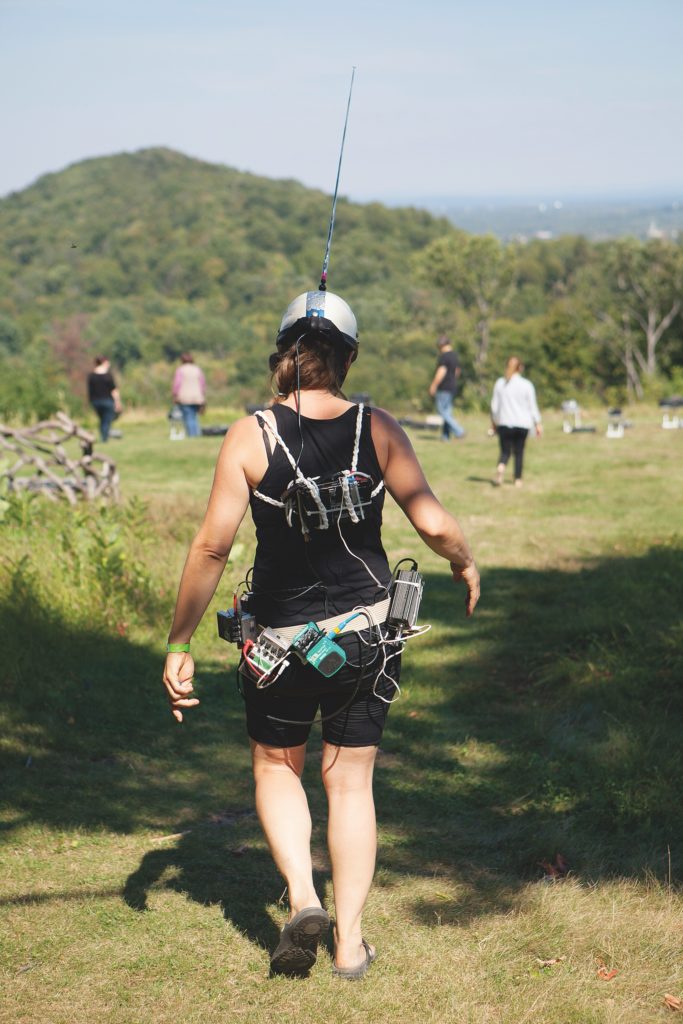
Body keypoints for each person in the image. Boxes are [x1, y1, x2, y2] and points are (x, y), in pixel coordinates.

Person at [162, 290, 480, 981]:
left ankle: (305, 898)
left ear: (283, 354)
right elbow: (429, 520)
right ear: (347, 356)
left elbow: (211, 548)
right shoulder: (378, 427)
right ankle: (349, 943)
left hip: (272, 646)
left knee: (277, 767)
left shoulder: (249, 435)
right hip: (368, 637)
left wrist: (179, 642)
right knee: (350, 782)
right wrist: (462, 561)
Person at [490, 356, 543, 487]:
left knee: (505, 451)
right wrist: (538, 423)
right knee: (519, 452)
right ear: (520, 368)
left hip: (504, 422)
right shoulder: (526, 385)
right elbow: (532, 406)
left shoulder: (500, 383)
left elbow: (494, 407)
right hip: (522, 424)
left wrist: (494, 422)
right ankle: (518, 479)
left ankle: (501, 466)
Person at [428, 335, 465, 441]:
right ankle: (445, 436)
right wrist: (452, 381)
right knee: (447, 412)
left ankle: (459, 431)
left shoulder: (444, 357)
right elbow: (457, 371)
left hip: (444, 387)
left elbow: (441, 371)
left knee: (441, 411)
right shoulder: (455, 355)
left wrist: (434, 385)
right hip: (452, 386)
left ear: (441, 345)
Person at [87, 356, 122, 442]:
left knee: (103, 420)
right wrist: (117, 402)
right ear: (104, 363)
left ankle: (104, 435)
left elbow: (90, 391)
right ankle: (105, 438)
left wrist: (91, 402)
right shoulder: (108, 376)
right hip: (107, 401)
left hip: (96, 402)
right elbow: (114, 390)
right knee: (107, 420)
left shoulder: (91, 376)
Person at [172, 352, 206, 438]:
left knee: (188, 417)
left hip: (184, 397)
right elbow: (202, 383)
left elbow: (177, 384)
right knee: (194, 416)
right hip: (197, 397)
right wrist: (202, 394)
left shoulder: (180, 370)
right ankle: (197, 434)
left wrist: (175, 394)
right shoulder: (197, 369)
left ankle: (192, 435)